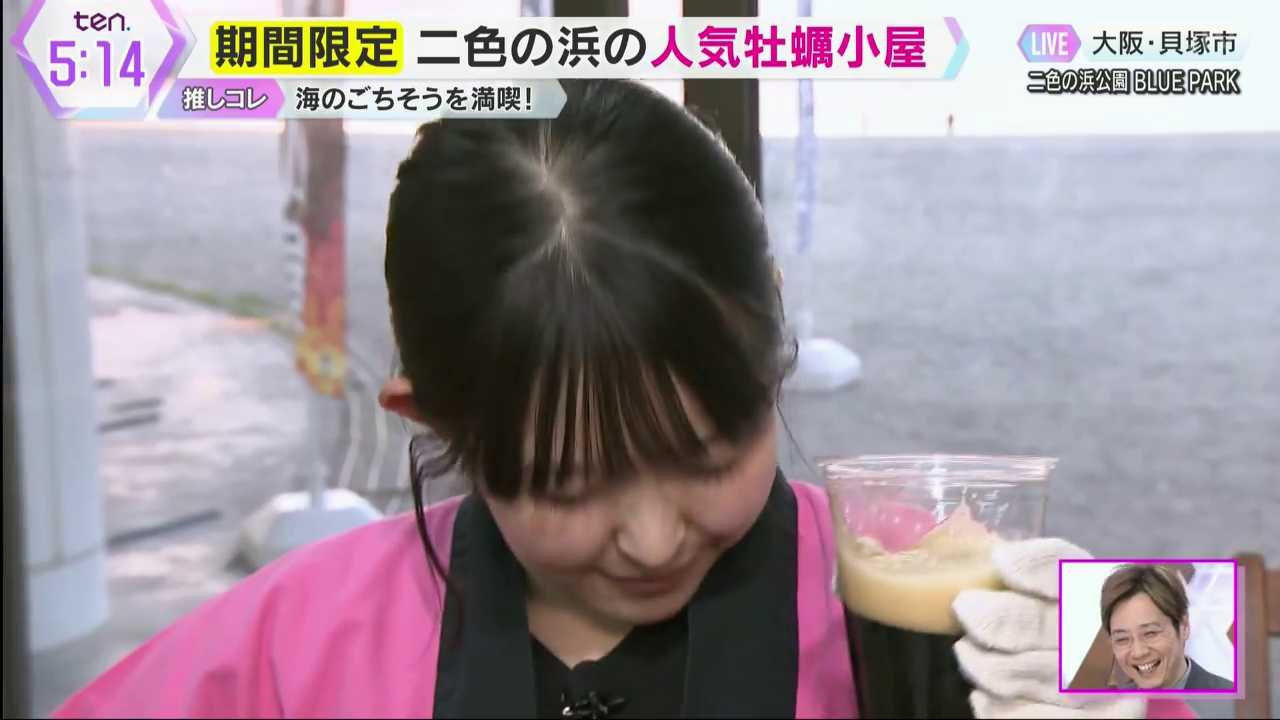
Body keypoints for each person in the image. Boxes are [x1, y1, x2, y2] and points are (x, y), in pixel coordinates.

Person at [52, 80, 1196, 719]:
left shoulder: (922, 573)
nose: (653, 537)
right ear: (435, 421)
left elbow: (1200, 648)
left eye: (708, 451)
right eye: (566, 483)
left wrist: (1132, 683)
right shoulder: (294, 644)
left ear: (771, 345)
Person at [1103, 564, 1235, 691]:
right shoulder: (1109, 703)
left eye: (1150, 633)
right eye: (1122, 639)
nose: (1138, 652)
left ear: (1184, 626)